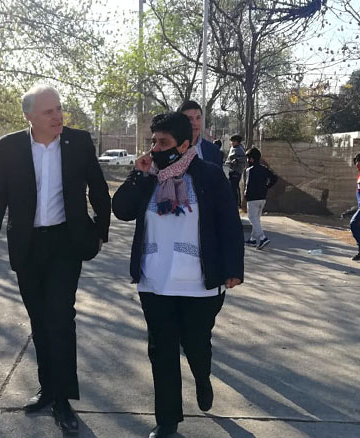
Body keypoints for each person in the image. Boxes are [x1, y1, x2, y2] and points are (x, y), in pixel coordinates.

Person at [0, 85, 111, 434]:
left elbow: (98, 188)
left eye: (60, 109)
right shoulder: (9, 147)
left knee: (61, 318)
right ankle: (48, 388)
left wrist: (99, 231)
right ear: (30, 116)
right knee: (39, 319)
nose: (58, 116)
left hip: (66, 244)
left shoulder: (79, 143)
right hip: (28, 246)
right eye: (50, 111)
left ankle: (64, 399)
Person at [112, 112, 244, 438]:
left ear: (184, 145)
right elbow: (122, 210)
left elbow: (229, 224)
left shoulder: (210, 176)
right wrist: (137, 175)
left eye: (164, 142)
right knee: (162, 351)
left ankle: (202, 377)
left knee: (197, 344)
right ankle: (168, 421)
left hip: (199, 284)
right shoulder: (149, 178)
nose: (156, 148)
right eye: (153, 141)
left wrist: (232, 269)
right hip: (155, 282)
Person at [244, 147, 278, 249]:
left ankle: (263, 238)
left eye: (248, 158)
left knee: (252, 218)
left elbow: (248, 184)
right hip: (262, 197)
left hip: (252, 198)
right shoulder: (264, 169)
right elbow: (274, 177)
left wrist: (246, 194)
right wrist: (267, 187)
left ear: (251, 159)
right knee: (256, 219)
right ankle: (253, 239)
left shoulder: (249, 170)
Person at [177, 100, 224, 167]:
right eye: (189, 119)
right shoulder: (170, 149)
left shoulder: (213, 150)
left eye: (198, 118)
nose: (195, 123)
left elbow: (219, 176)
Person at [225, 134, 247, 208]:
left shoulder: (239, 149)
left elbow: (244, 158)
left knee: (234, 186)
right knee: (231, 187)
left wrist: (237, 160)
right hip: (231, 169)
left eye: (233, 141)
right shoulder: (232, 148)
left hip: (237, 170)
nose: (232, 143)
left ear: (237, 142)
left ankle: (236, 203)